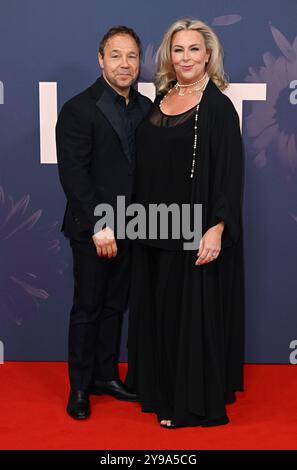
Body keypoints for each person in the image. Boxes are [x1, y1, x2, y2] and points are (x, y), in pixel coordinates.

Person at [125, 18, 245, 428]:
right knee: (156, 309)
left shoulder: (218, 107)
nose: (186, 57)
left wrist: (218, 225)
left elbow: (230, 172)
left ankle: (188, 405)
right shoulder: (162, 97)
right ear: (168, 56)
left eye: (194, 49)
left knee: (183, 313)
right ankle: (156, 389)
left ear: (208, 55)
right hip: (152, 225)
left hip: (192, 228)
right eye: (178, 49)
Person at [56, 26, 151, 419]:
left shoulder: (146, 107)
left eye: (131, 56)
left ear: (139, 61)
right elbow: (74, 175)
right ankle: (79, 387)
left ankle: (107, 375)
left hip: (134, 225)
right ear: (101, 59)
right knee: (89, 306)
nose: (124, 64)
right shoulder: (79, 109)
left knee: (116, 305)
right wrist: (100, 224)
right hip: (95, 228)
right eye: (116, 55)